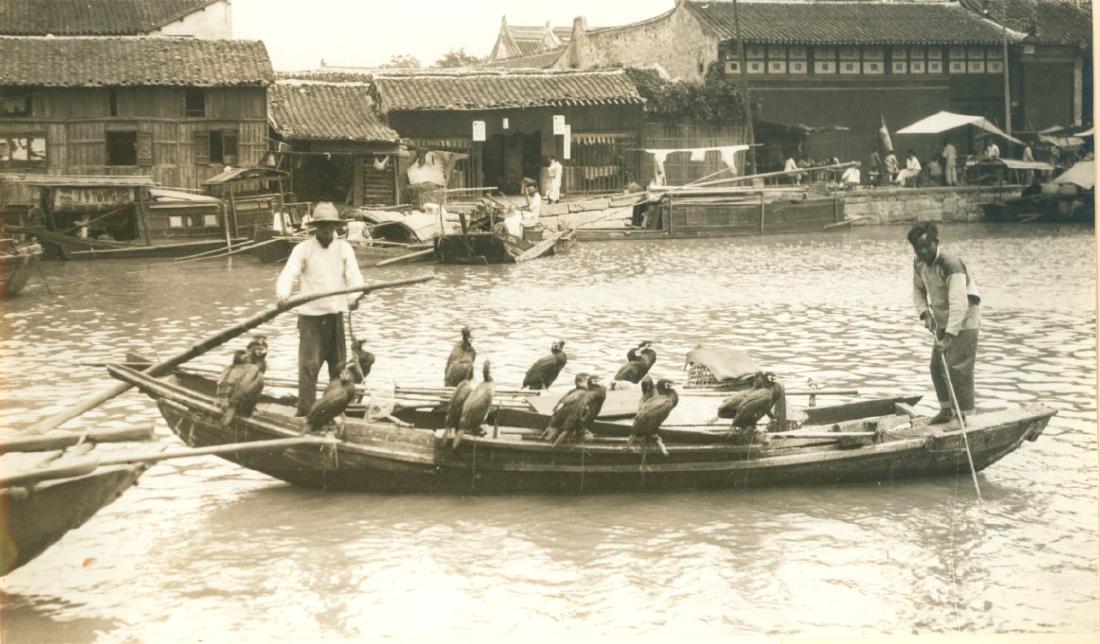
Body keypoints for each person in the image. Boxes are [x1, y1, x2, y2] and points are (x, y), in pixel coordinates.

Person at [276, 202, 365, 416]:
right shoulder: (303, 249)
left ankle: (335, 411)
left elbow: (355, 277)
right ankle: (306, 412)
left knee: (339, 367)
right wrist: (282, 295)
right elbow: (288, 274)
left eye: (330, 226)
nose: (326, 230)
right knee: (309, 367)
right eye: (322, 226)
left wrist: (355, 296)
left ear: (336, 227)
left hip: (335, 316)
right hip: (310, 318)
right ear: (315, 227)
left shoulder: (344, 248)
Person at [908, 223, 981, 424]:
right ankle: (947, 411)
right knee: (936, 366)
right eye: (918, 247)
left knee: (957, 368)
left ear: (936, 242)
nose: (923, 251)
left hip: (965, 318)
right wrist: (925, 314)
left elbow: (959, 303)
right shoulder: (919, 262)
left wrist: (948, 337)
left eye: (926, 246)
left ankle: (962, 417)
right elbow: (918, 290)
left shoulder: (951, 264)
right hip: (942, 318)